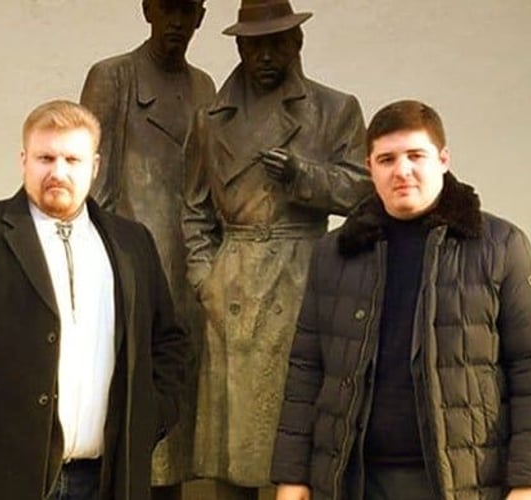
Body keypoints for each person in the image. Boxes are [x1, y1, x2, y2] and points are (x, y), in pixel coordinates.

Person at [271, 100, 531, 500]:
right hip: (352, 478)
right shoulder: (335, 253)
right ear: (370, 167)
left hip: (461, 479)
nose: (402, 170)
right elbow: (306, 368)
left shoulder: (499, 246)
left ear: (443, 160)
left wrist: (530, 483)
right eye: (387, 159)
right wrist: (293, 476)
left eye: (415, 155)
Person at [0, 100, 190, 500]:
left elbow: (168, 342)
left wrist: (148, 420)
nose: (58, 172)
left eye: (72, 159)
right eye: (45, 158)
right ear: (24, 160)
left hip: (109, 479)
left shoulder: (132, 242)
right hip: (0, 477)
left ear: (95, 166)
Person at [182, 1, 370, 497]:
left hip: (301, 274)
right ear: (240, 49)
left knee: (299, 422)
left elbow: (362, 192)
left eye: (275, 43)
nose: (264, 56)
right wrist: (204, 278)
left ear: (296, 42)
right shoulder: (212, 118)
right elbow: (195, 209)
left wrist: (302, 175)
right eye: (253, 46)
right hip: (233, 284)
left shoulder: (334, 109)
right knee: (233, 451)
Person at [79, 1, 215, 496]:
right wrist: (103, 266)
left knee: (174, 401)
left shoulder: (204, 87)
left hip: (188, 262)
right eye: (166, 8)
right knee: (134, 398)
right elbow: (95, 184)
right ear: (147, 10)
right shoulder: (113, 77)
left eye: (187, 11)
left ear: (201, 17)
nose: (176, 22)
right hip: (135, 262)